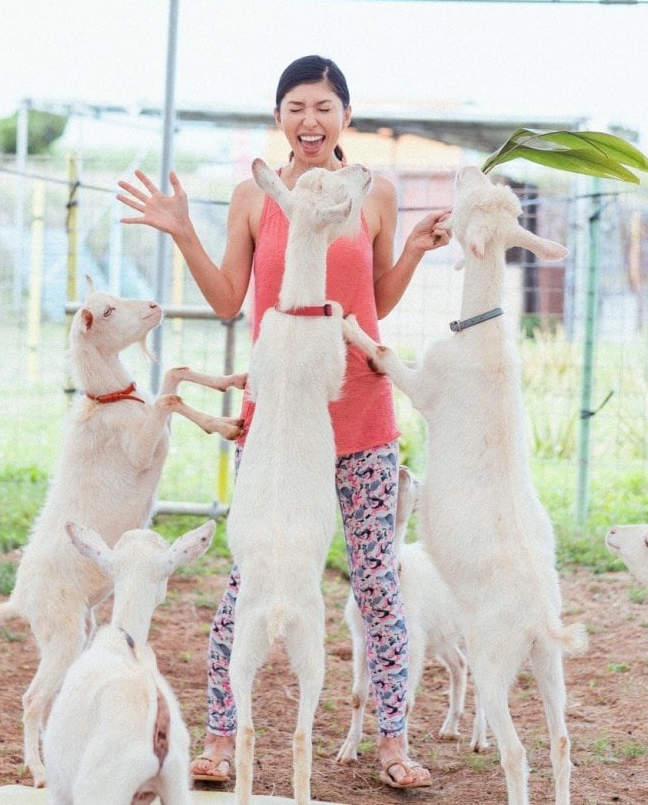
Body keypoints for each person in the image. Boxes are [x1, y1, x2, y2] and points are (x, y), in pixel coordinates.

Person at [115, 54, 452, 790]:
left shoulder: (374, 195)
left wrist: (419, 252)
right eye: (296, 106)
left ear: (346, 117)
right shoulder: (251, 198)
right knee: (250, 575)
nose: (310, 120)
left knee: (377, 582)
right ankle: (219, 738)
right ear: (278, 117)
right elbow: (232, 297)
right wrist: (182, 233)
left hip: (361, 415)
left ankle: (393, 741)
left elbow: (377, 301)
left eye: (324, 106)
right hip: (277, 430)